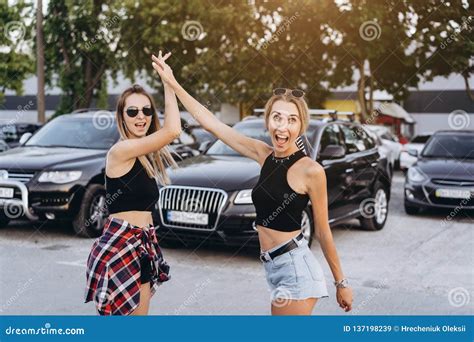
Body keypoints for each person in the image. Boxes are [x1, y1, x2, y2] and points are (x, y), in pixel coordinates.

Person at [151, 54, 353, 315]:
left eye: (292, 120)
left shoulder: (311, 170)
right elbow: (211, 123)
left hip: (295, 269)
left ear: (301, 125)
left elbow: (324, 232)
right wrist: (173, 83)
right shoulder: (263, 154)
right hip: (275, 267)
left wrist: (342, 283)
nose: (283, 126)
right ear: (268, 120)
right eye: (277, 117)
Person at [84, 51, 181, 315]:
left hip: (143, 247)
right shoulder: (120, 152)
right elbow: (173, 130)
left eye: (147, 110)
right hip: (120, 249)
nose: (141, 116)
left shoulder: (145, 156)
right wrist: (168, 82)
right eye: (133, 111)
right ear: (122, 116)